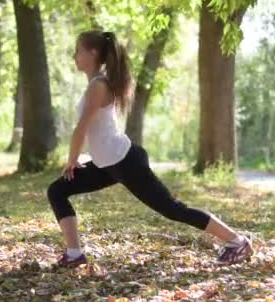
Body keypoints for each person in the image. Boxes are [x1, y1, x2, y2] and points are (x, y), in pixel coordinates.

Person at [47, 29, 252, 268]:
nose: (74, 56)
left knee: (173, 209)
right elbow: (92, 130)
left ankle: (237, 241)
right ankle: (74, 254)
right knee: (57, 191)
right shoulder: (97, 83)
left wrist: (72, 160)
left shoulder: (99, 85)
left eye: (78, 51)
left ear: (93, 53)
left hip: (125, 162)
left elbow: (81, 128)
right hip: (107, 164)